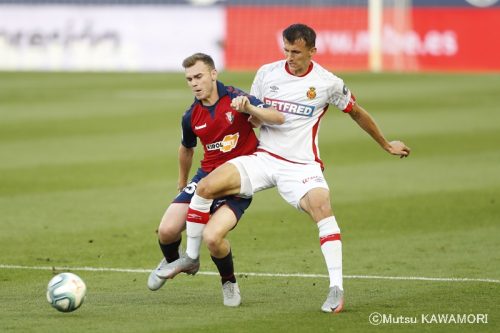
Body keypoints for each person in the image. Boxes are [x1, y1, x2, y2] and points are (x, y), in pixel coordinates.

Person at [157, 24, 411, 313]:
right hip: (262, 157)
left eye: (296, 52)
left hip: (301, 165)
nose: (290, 57)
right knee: (205, 186)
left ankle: (336, 289)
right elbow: (253, 117)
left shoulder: (327, 83)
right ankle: (190, 257)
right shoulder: (267, 73)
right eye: (286, 50)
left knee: (322, 207)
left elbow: (356, 112)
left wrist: (385, 144)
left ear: (312, 51)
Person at [148, 52, 284, 307]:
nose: (194, 83)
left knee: (212, 238)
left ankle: (229, 281)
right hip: (205, 177)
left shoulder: (236, 98)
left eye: (198, 76)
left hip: (237, 180)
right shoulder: (191, 116)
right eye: (189, 79)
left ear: (213, 74)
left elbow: (277, 117)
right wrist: (182, 181)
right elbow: (186, 148)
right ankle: (175, 260)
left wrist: (250, 109)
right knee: (166, 231)